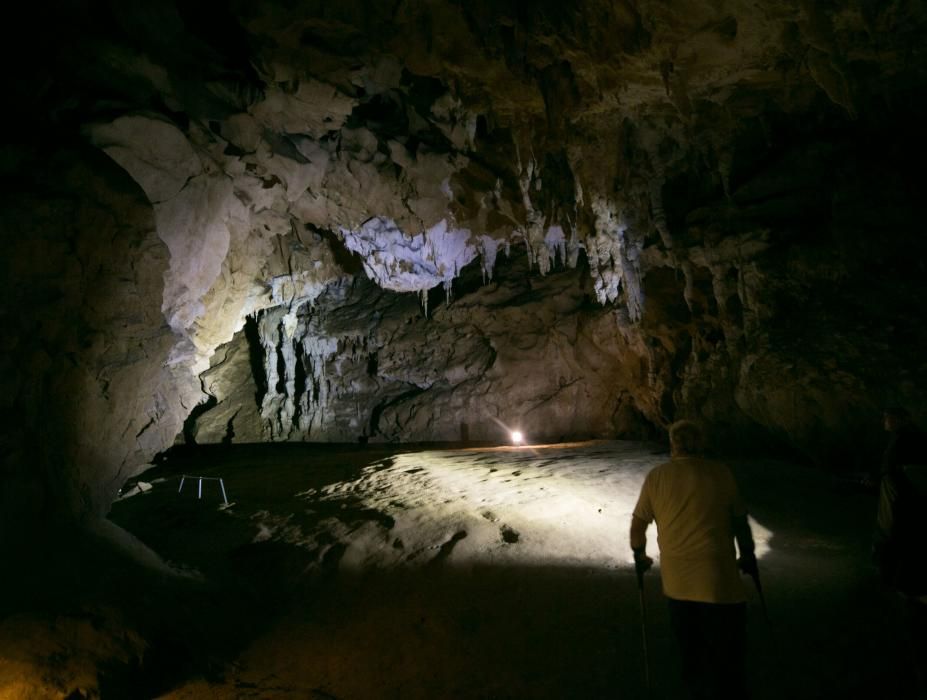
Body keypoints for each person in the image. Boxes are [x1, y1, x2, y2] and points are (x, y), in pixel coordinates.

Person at [630, 420, 756, 699]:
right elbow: (739, 522)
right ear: (700, 443)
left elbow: (638, 526)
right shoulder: (720, 473)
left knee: (690, 650)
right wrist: (747, 555)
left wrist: (641, 556)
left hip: (677, 583)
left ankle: (695, 687)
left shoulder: (656, 477)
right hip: (719, 581)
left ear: (673, 445)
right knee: (728, 654)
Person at [871, 407, 927, 698]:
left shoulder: (903, 445)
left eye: (889, 417)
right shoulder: (909, 442)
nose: (885, 421)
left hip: (901, 518)